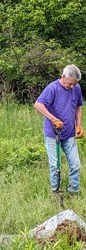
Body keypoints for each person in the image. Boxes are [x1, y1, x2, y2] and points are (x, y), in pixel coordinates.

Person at [34, 64, 84, 194]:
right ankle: (56, 192)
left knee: (75, 164)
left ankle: (73, 191)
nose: (72, 87)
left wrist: (78, 125)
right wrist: (53, 119)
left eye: (74, 84)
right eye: (70, 84)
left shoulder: (76, 88)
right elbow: (38, 105)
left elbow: (78, 107)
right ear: (63, 77)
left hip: (69, 133)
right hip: (53, 134)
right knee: (55, 166)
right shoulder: (52, 88)